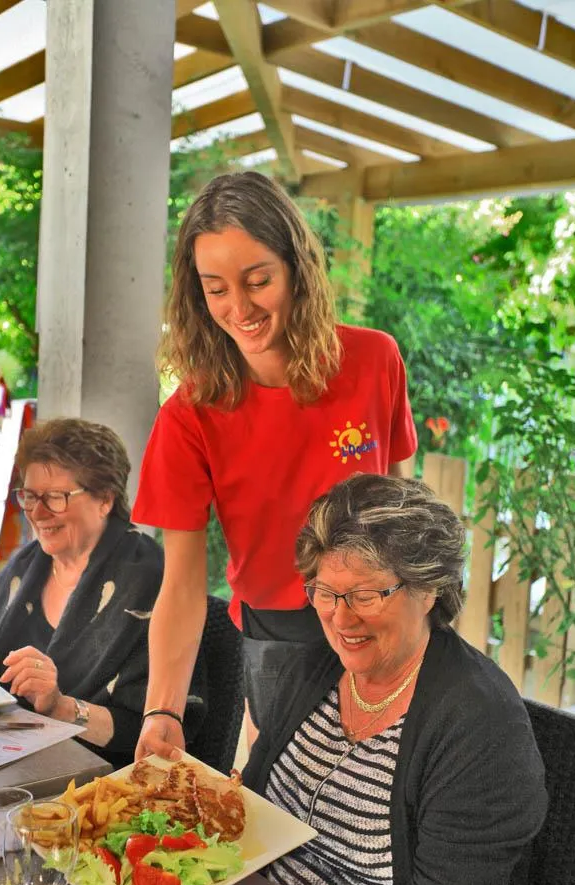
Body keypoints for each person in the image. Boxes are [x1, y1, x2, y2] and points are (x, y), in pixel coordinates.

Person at [132, 171, 417, 761]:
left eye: (258, 280)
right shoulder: (190, 416)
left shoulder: (373, 360)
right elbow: (182, 582)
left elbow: (403, 513)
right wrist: (162, 710)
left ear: (296, 269)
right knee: (286, 797)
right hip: (280, 632)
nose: (239, 308)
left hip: (384, 613)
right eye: (216, 289)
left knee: (391, 798)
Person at [242, 474, 548, 885]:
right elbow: (253, 802)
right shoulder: (315, 667)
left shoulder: (481, 728)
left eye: (365, 594)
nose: (340, 617)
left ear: (428, 588)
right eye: (324, 591)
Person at [0, 418, 206, 765]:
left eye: (56, 497)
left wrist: (60, 705)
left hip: (95, 779)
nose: (38, 513)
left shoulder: (149, 582)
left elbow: (147, 726)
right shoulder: (30, 563)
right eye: (30, 496)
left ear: (105, 499)